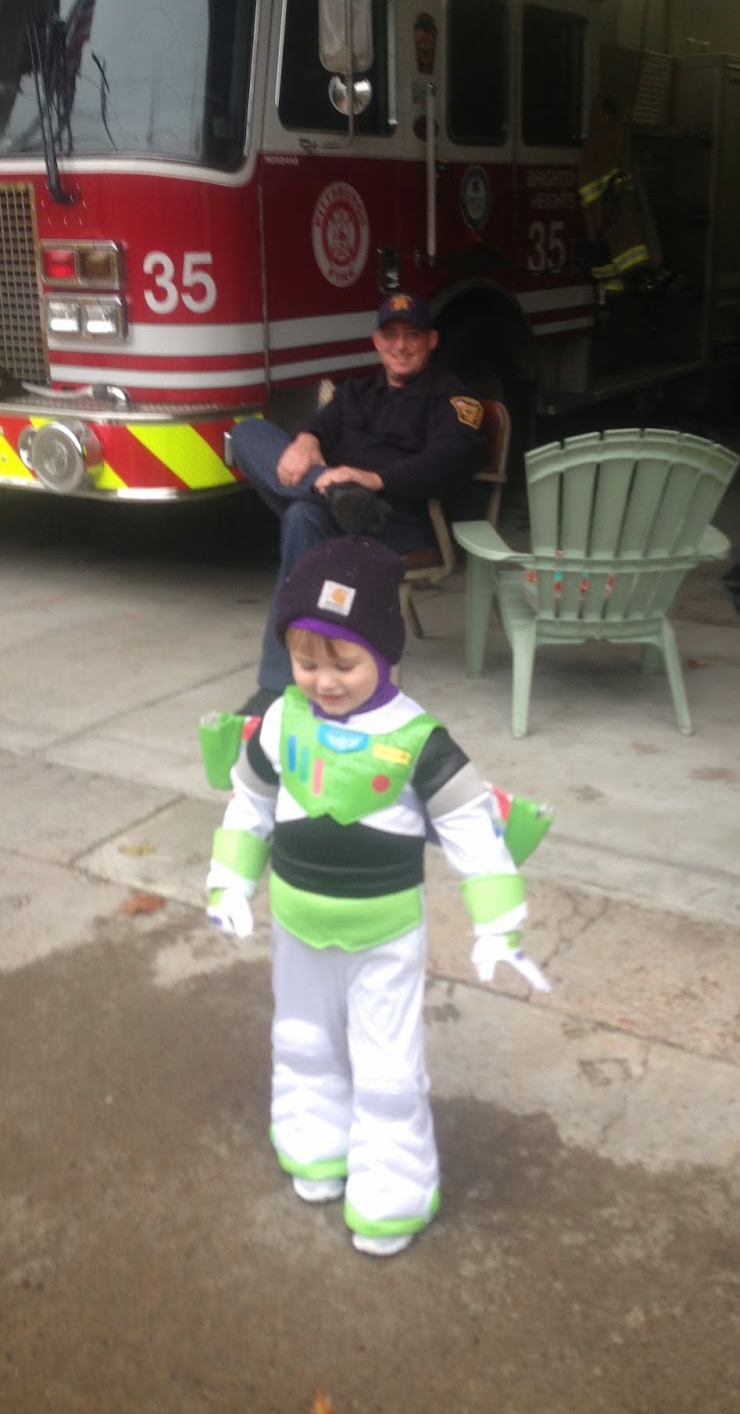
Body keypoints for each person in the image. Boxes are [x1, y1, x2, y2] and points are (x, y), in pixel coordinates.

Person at [198, 534, 551, 1256]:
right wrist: (230, 879)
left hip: (385, 934)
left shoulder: (421, 741)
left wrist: (498, 924)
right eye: (307, 664)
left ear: (386, 653)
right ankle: (313, 1143)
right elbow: (249, 803)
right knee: (301, 1040)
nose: (325, 682)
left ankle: (393, 1188)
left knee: (387, 1066)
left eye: (345, 663)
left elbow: (474, 831)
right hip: (296, 922)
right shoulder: (279, 723)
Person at [230, 292, 487, 715]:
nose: (401, 345)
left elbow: (451, 458)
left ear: (432, 340)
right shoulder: (357, 392)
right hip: (338, 509)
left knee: (301, 517)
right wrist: (307, 439)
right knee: (249, 433)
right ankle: (331, 492)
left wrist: (375, 480)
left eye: (412, 335)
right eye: (391, 335)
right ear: (377, 341)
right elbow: (319, 423)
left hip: (397, 522)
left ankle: (276, 689)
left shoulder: (453, 398)